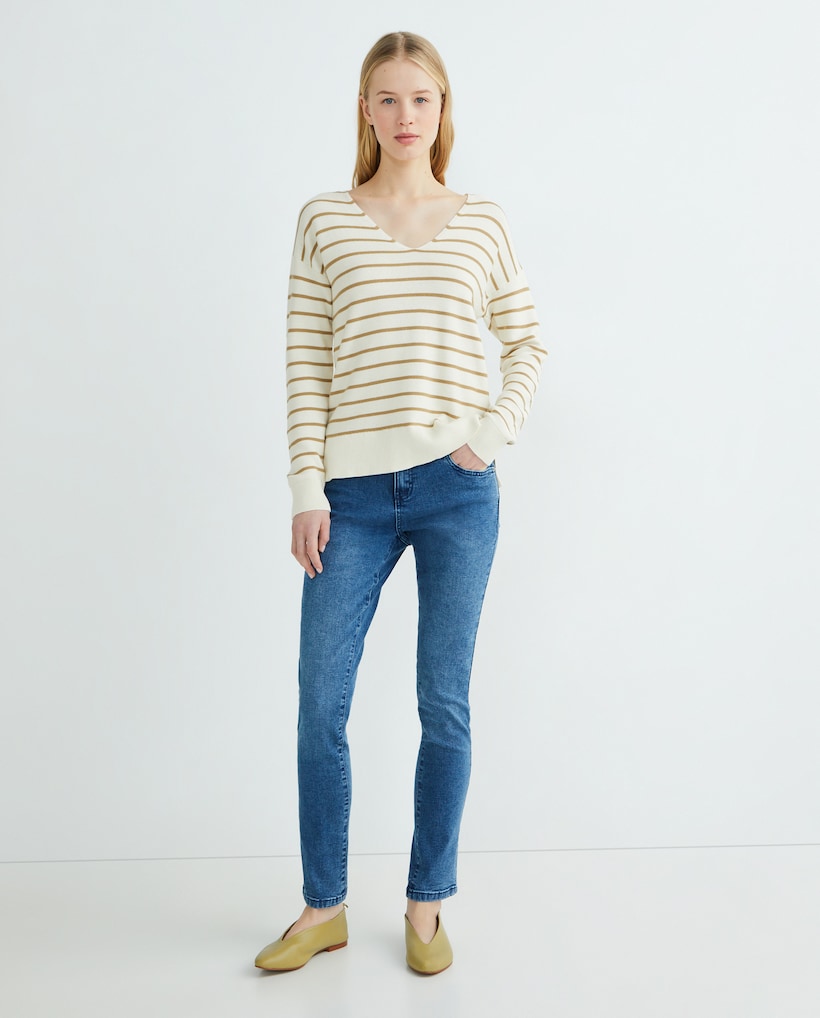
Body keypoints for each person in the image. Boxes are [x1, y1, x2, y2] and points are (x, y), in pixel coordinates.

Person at [255, 30, 546, 975]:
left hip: (458, 491)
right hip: (349, 497)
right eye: (387, 98)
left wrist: (487, 438)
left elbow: (528, 342)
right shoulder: (323, 220)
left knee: (443, 704)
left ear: (442, 108)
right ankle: (324, 906)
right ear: (365, 110)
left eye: (421, 98)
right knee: (320, 703)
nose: (405, 115)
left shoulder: (482, 220)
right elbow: (306, 363)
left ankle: (426, 905)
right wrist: (307, 488)